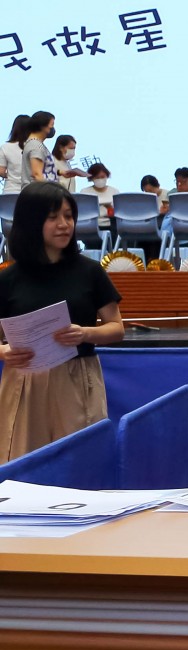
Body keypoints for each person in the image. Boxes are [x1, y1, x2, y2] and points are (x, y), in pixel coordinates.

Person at [0, 182, 124, 460]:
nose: (64, 225)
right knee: (23, 463)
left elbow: (117, 328)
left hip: (78, 377)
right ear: (31, 222)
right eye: (53, 217)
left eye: (68, 216)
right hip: (25, 381)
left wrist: (85, 333)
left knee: (81, 460)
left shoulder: (90, 272)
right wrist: (4, 351)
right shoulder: (8, 279)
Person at [19, 112, 55, 190]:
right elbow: (37, 174)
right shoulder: (35, 145)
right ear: (42, 126)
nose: (52, 128)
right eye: (51, 125)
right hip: (38, 193)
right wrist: (50, 191)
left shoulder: (34, 143)